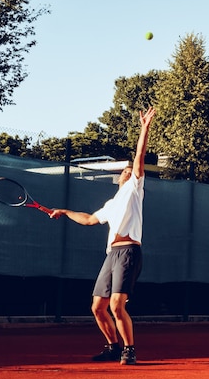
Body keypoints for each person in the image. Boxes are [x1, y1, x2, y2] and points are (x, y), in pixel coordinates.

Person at [49, 107, 156, 365]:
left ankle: (129, 350)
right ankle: (112, 348)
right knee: (98, 307)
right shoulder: (111, 203)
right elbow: (88, 219)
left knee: (117, 305)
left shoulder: (134, 189)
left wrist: (144, 127)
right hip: (112, 255)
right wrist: (64, 211)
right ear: (118, 178)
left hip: (129, 252)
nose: (127, 171)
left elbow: (139, 157)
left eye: (130, 171)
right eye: (124, 171)